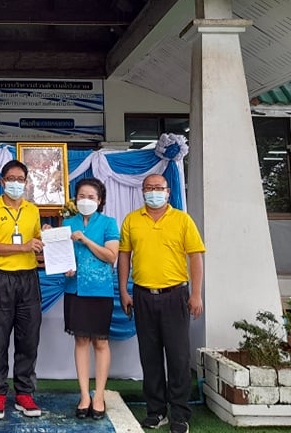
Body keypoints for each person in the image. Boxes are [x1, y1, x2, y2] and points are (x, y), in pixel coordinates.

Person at [118, 173, 204, 433]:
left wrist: (196, 294)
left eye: (158, 188)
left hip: (176, 295)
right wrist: (123, 291)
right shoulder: (132, 220)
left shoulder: (182, 219)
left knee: (178, 356)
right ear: (142, 192)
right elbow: (124, 257)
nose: (153, 192)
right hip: (143, 295)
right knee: (150, 356)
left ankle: (179, 414)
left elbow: (196, 257)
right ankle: (156, 411)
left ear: (168, 192)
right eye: (149, 188)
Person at [0, 159, 44, 420]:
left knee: (29, 338)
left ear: (26, 183)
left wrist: (46, 236)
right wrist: (23, 247)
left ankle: (24, 392)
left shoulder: (32, 210)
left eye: (21, 179)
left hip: (29, 278)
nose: (16, 183)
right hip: (1, 278)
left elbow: (37, 242)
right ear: (2, 181)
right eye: (11, 179)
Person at [63, 177, 119, 420]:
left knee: (101, 343)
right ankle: (84, 395)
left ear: (100, 200)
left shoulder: (108, 223)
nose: (85, 200)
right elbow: (64, 256)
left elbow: (111, 256)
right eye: (81, 196)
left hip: (100, 290)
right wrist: (65, 267)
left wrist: (85, 240)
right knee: (81, 341)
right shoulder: (68, 223)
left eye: (91, 197)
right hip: (74, 290)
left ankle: (99, 396)